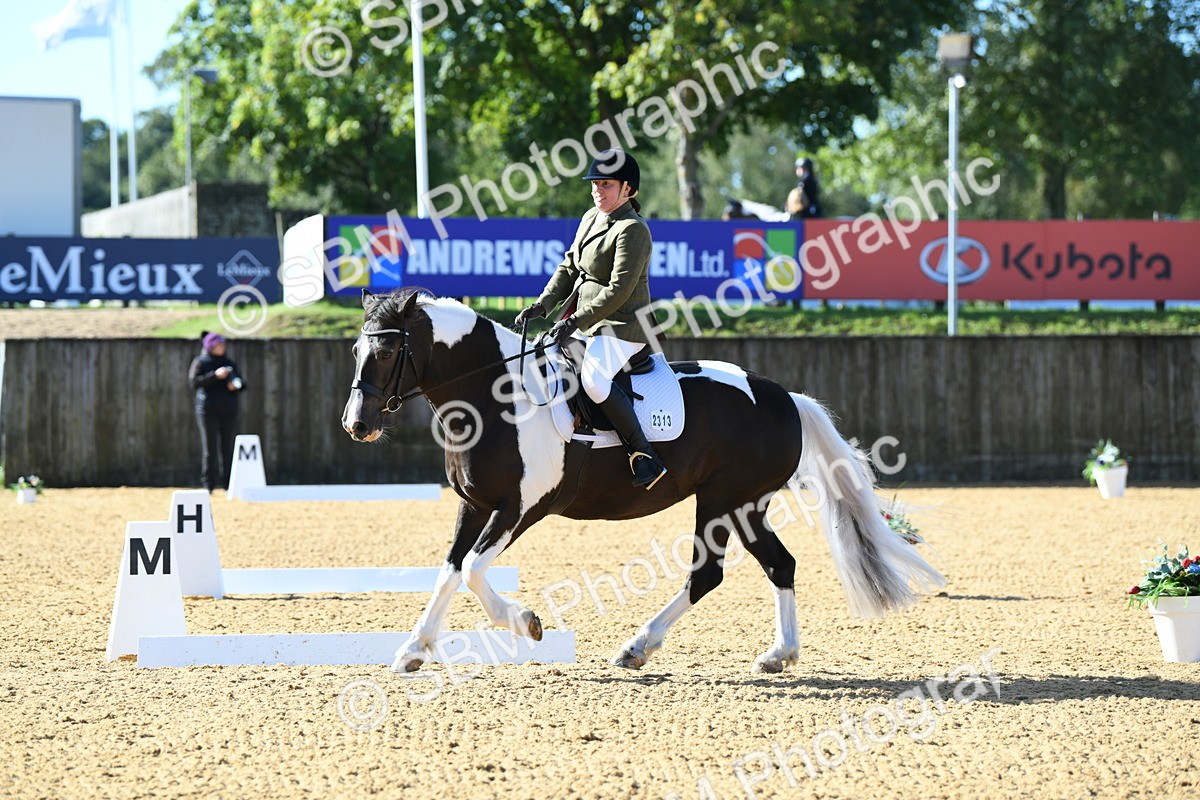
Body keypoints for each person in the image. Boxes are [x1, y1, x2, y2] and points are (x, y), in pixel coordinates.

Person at [514, 148, 667, 490]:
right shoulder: (590, 217)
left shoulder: (633, 230)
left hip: (623, 326)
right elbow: (569, 267)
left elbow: (619, 290)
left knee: (595, 380)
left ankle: (644, 455)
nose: (598, 189)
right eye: (595, 183)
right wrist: (543, 305)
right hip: (585, 319)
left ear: (629, 189)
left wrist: (575, 321)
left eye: (606, 184)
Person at [188, 332, 245, 492]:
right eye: (219, 345)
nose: (222, 347)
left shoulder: (229, 362)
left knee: (227, 448)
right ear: (211, 346)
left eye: (223, 345)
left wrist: (235, 385)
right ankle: (208, 485)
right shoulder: (201, 362)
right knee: (209, 449)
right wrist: (215, 376)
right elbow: (194, 382)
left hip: (228, 410)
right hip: (207, 410)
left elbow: (242, 383)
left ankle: (229, 484)